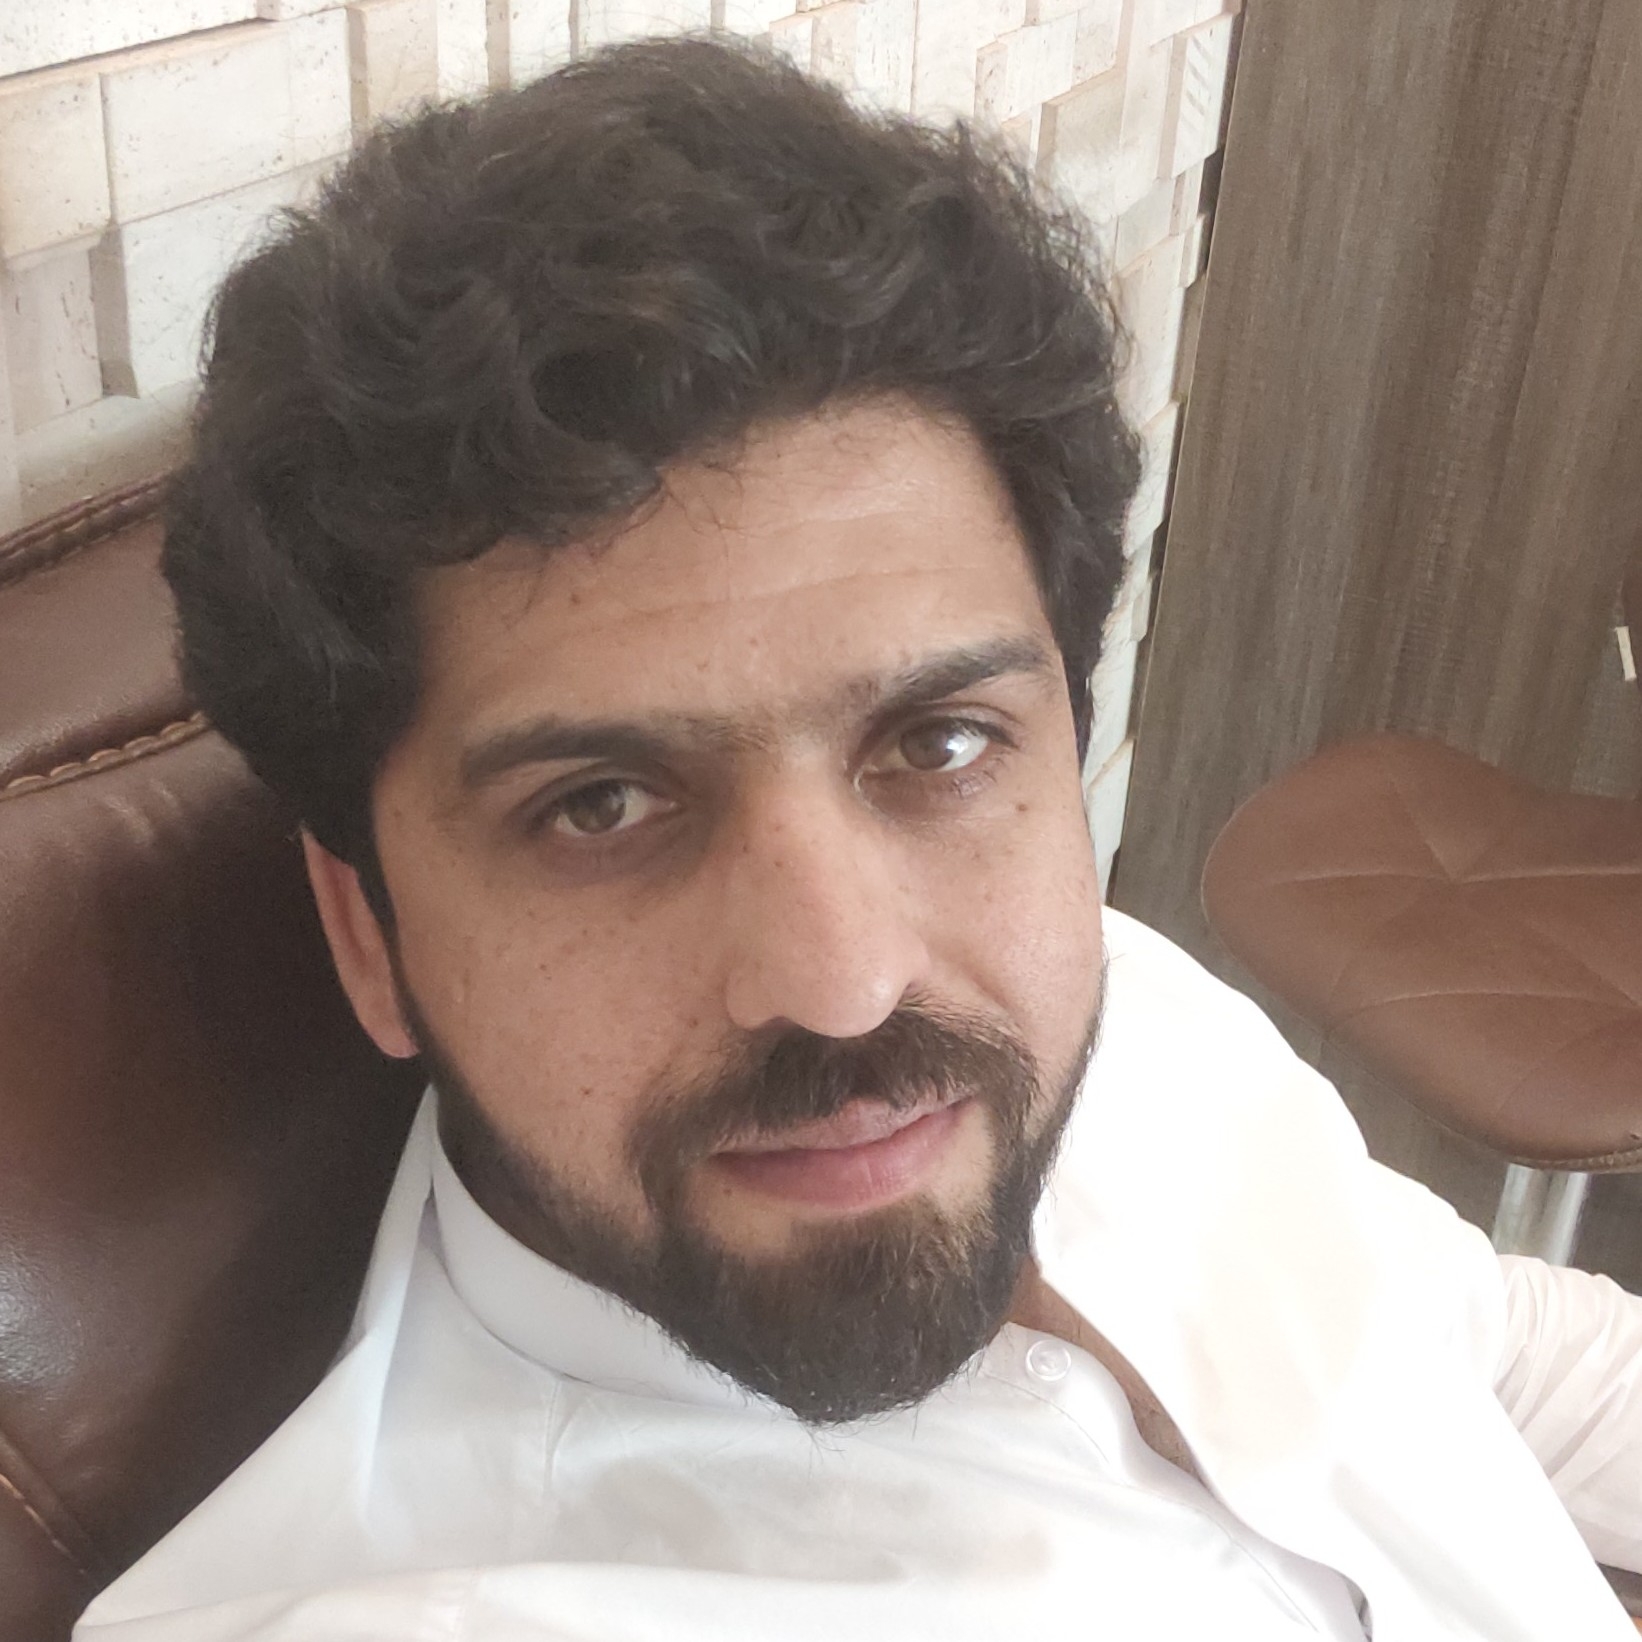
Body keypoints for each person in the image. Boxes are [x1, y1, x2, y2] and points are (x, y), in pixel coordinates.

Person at [76, 34, 1642, 1642]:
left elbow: (1491, 1349)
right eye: (600, 804)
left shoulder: (1127, 1008)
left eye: (938, 743)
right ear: (368, 932)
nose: (846, 982)